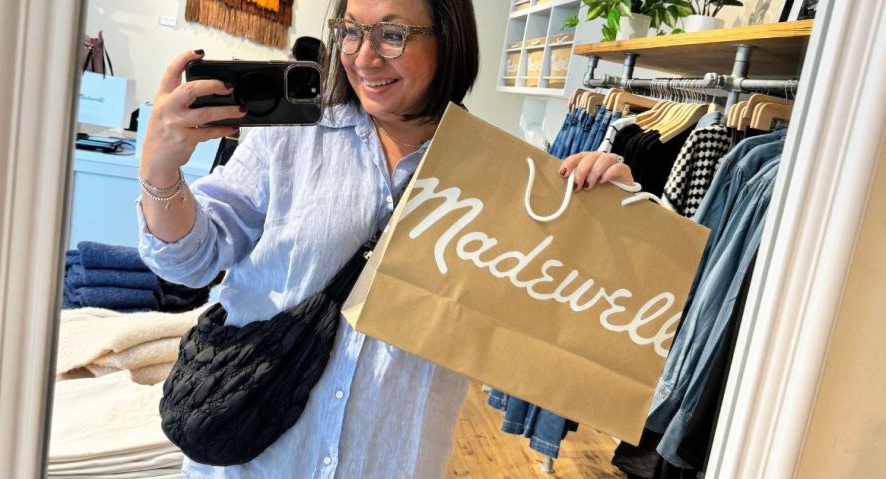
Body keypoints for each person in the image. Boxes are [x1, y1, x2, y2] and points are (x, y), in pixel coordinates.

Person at [136, 0, 634, 477]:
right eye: (350, 30)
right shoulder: (292, 137)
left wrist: (606, 221)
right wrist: (160, 169)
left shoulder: (501, 179)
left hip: (391, 460)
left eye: (393, 34)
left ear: (448, 40)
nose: (363, 56)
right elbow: (190, 262)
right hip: (258, 456)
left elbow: (551, 324)